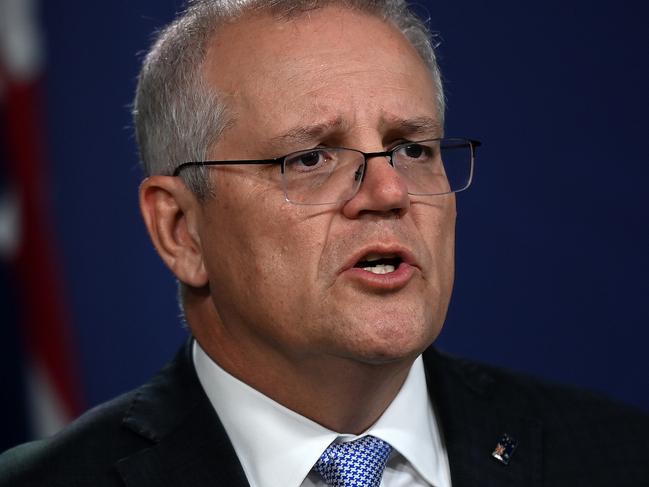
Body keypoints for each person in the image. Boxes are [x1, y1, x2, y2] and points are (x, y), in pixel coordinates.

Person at [1, 1, 648, 486]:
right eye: (309, 157)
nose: (389, 190)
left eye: (413, 147)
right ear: (180, 229)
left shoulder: (617, 457)